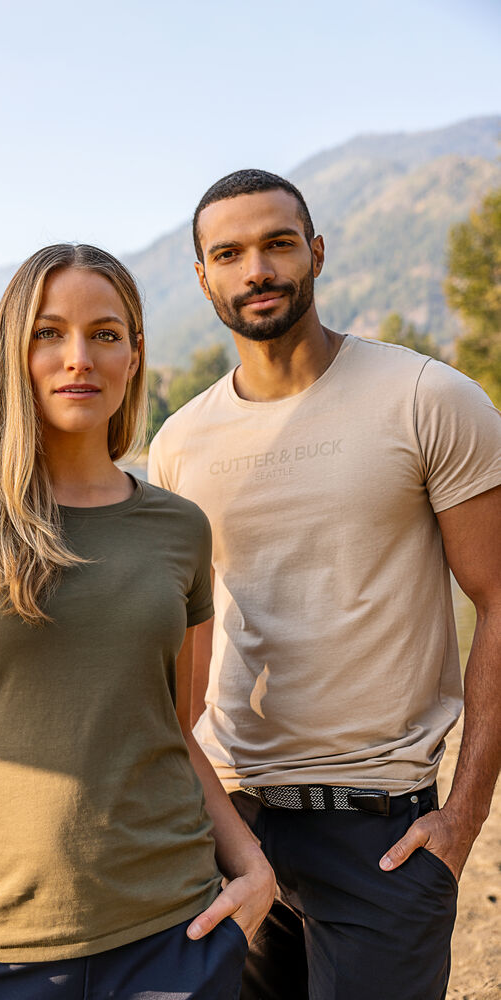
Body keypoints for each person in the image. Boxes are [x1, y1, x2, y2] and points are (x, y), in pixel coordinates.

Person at [0, 243, 275, 1000]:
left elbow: (172, 727)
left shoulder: (179, 528)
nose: (77, 356)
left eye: (105, 334)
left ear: (134, 354)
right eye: (48, 333)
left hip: (179, 933)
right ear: (12, 352)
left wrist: (249, 863)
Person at [148, 171, 501, 1000]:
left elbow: (496, 598)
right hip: (233, 826)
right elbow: (174, 648)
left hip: (380, 827)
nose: (256, 270)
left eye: (276, 244)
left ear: (313, 252)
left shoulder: (426, 397)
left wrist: (463, 818)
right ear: (203, 279)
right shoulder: (177, 444)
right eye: (227, 254)